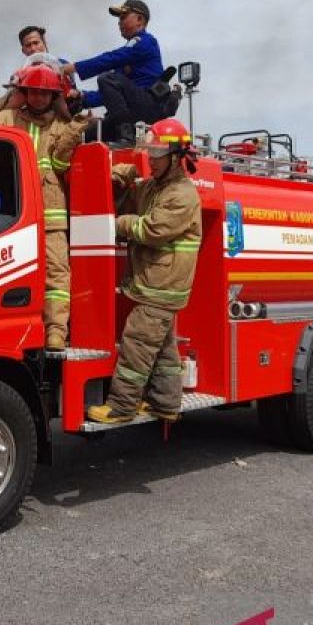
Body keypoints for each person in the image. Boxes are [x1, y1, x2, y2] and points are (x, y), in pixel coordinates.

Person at [86, 118, 202, 423]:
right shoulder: (155, 186)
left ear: (176, 157)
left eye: (157, 154)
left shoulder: (183, 195)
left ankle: (121, 407)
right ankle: (165, 403)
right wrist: (120, 180)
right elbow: (129, 200)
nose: (151, 159)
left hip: (162, 285)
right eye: (149, 152)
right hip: (155, 283)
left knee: (137, 343)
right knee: (162, 349)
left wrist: (118, 225)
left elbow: (151, 229)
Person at [0, 64, 90, 351]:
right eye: (34, 92)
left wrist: (75, 128)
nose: (40, 98)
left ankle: (56, 331)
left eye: (46, 93)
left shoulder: (62, 126)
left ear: (54, 95)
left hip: (51, 215)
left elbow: (59, 164)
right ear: (24, 92)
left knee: (56, 274)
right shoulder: (7, 118)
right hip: (15, 216)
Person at [61, 0, 164, 144]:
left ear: (140, 19)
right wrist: (82, 97)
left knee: (107, 78)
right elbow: (110, 96)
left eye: (123, 17)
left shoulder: (145, 42)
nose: (119, 22)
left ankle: (126, 134)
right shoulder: (128, 55)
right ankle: (124, 132)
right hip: (131, 111)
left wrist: (75, 67)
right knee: (85, 137)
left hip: (147, 104)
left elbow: (110, 59)